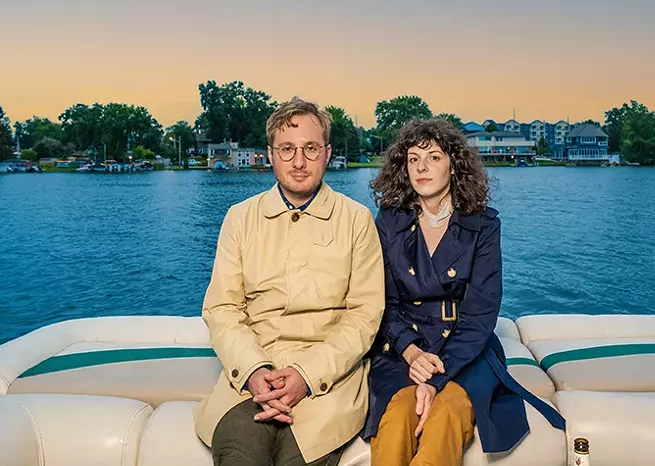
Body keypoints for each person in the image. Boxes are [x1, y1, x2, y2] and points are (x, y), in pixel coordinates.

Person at [361, 118, 565, 465]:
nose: (422, 167)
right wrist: (410, 353)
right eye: (413, 159)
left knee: (446, 417)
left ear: (453, 166)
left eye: (434, 157)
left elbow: (480, 312)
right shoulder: (388, 221)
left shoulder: (483, 225)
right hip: (403, 349)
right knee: (395, 420)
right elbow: (383, 302)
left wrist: (435, 378)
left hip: (464, 350)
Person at [194, 97, 385, 466]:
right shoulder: (240, 218)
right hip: (251, 378)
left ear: (327, 153)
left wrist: (306, 375)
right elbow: (222, 307)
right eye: (287, 149)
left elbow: (365, 315)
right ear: (271, 154)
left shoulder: (356, 220)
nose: (299, 162)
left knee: (302, 459)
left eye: (310, 148)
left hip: (326, 381)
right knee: (240, 457)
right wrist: (252, 371)